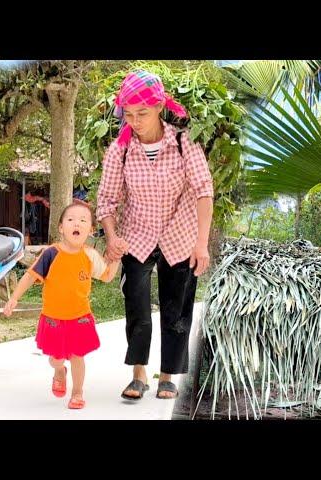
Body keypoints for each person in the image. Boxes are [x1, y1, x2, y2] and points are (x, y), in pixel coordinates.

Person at [97, 70, 213, 401]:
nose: (135, 121)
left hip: (180, 235)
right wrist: (112, 235)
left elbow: (205, 192)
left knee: (176, 310)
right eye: (129, 114)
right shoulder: (119, 150)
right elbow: (106, 200)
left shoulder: (182, 142)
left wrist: (201, 244)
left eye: (142, 113)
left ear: (160, 107)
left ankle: (167, 376)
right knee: (137, 306)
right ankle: (138, 374)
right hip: (137, 234)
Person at [2, 201, 120, 409]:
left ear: (90, 230)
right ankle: (58, 371)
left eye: (83, 220)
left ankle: (77, 392)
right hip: (53, 318)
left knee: (77, 356)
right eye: (71, 219)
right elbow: (30, 277)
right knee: (56, 359)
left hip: (80, 317)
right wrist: (14, 298)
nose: (77, 223)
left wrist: (116, 257)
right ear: (61, 227)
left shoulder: (90, 255)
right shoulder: (50, 253)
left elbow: (108, 276)